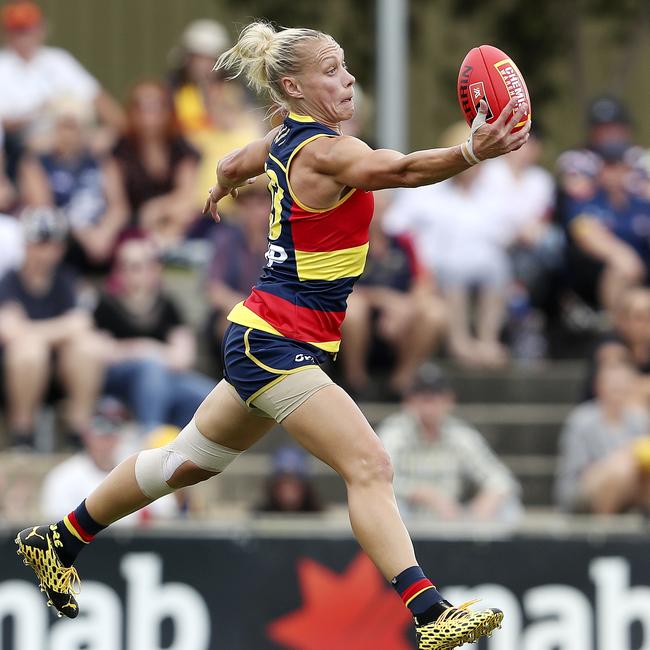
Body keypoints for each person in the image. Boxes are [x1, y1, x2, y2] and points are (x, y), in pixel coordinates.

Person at [16, 22, 528, 648]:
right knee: (370, 465)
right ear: (294, 86)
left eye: (346, 67)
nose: (348, 79)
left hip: (269, 335)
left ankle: (57, 540)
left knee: (182, 463)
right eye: (333, 70)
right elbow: (401, 169)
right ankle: (431, 614)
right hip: (276, 341)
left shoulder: (286, 140)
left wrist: (224, 182)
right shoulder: (327, 151)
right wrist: (473, 152)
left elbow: (237, 160)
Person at [384, 122, 513, 367]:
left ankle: (488, 339)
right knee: (454, 269)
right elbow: (395, 224)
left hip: (479, 259)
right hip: (434, 262)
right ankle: (459, 341)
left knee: (498, 267)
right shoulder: (425, 189)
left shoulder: (493, 189)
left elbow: (504, 232)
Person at [0, 207, 104, 448]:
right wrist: (60, 331)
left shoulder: (66, 280)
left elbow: (82, 324)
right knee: (29, 352)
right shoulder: (8, 281)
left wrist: (33, 332)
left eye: (53, 245)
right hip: (15, 373)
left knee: (88, 349)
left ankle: (79, 433)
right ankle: (22, 434)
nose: (46, 253)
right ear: (26, 245)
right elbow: (9, 331)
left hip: (60, 370)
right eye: (40, 244)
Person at [93, 237, 214, 432]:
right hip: (119, 380)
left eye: (138, 266)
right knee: (150, 369)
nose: (130, 273)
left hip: (166, 377)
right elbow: (102, 353)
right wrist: (149, 354)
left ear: (154, 269)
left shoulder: (168, 305)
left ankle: (182, 447)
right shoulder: (106, 305)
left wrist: (146, 350)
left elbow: (183, 358)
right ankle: (150, 438)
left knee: (208, 395)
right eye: (124, 266)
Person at [378, 363, 521, 522]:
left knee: (508, 506)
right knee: (389, 507)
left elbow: (501, 478)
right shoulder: (394, 432)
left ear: (449, 400)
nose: (429, 405)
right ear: (408, 401)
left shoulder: (459, 434)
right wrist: (424, 494)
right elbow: (377, 481)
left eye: (435, 396)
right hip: (408, 523)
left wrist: (487, 501)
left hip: (452, 522)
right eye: (423, 397)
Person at [0, 1, 125, 178]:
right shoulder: (3, 66)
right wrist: (42, 111)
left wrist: (111, 132)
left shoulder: (59, 60)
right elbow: (6, 125)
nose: (25, 36)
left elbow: (101, 102)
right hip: (28, 148)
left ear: (42, 29)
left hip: (77, 142)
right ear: (7, 33)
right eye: (18, 30)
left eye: (29, 29)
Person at [341, 190, 447, 396]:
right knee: (354, 308)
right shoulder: (346, 241)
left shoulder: (403, 242)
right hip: (358, 314)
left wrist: (406, 308)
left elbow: (423, 281)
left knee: (434, 312)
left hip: (398, 320)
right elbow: (338, 285)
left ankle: (402, 380)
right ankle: (355, 379)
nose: (376, 209)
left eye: (381, 203)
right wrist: (385, 300)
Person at [18, 97, 129, 274]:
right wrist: (85, 234)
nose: (69, 133)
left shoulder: (102, 161)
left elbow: (119, 206)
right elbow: (44, 208)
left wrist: (104, 232)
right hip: (65, 236)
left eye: (75, 126)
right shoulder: (37, 163)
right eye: (64, 126)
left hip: (101, 233)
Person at [40, 398, 179, 524]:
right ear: (86, 435)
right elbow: (58, 528)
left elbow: (166, 512)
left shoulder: (138, 469)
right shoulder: (64, 476)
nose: (107, 441)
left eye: (113, 432)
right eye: (101, 432)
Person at [112, 81, 200, 248]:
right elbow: (117, 201)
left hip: (173, 221)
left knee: (184, 213)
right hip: (134, 224)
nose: (149, 115)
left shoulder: (180, 146)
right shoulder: (120, 149)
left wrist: (155, 209)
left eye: (156, 107)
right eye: (142, 108)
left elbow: (187, 194)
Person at [562, 144, 650, 312]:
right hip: (600, 276)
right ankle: (616, 326)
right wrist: (622, 256)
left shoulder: (642, 204)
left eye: (620, 166)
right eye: (610, 166)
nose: (615, 172)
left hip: (644, 275)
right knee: (621, 267)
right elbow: (584, 233)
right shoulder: (586, 203)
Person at [555, 362, 650, 514]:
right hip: (582, 489)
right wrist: (615, 463)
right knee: (621, 468)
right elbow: (578, 470)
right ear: (599, 387)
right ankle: (604, 531)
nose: (619, 391)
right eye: (615, 387)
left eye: (624, 386)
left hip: (627, 484)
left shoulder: (637, 420)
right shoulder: (582, 420)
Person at [204, 176, 270, 360]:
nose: (257, 211)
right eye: (249, 203)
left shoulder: (279, 242)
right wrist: (252, 312)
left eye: (264, 202)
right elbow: (215, 291)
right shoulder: (225, 238)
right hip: (237, 313)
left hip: (273, 316)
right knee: (233, 325)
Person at [256, 446, 322, 513]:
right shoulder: (258, 517)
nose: (288, 490)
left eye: (294, 482)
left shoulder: (320, 518)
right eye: (283, 482)